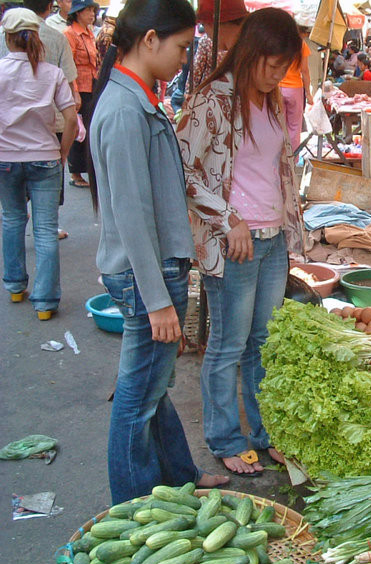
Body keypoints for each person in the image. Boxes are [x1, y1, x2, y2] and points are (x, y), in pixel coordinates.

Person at [89, 0, 230, 503]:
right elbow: (129, 214)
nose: (184, 58)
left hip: (152, 267)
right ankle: (134, 507)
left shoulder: (138, 98)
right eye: (181, 47)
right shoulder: (125, 109)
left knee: (152, 385)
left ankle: (178, 477)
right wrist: (157, 300)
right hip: (144, 272)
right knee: (136, 398)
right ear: (150, 39)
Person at [176, 8, 305, 476]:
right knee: (228, 345)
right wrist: (226, 217)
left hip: (272, 241)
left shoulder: (269, 100)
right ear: (250, 52)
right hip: (235, 243)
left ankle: (266, 434)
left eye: (282, 67)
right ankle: (226, 438)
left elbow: (274, 167)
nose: (275, 75)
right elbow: (183, 170)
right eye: (270, 64)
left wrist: (291, 223)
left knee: (263, 343)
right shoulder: (214, 98)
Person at [0, 8, 77, 319]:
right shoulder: (52, 74)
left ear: (7, 38)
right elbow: (71, 119)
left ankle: (16, 286)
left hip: (5, 159)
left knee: (12, 219)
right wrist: (62, 152)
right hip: (45, 157)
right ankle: (45, 304)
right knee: (45, 230)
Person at [63, 0, 98, 188]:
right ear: (77, 13)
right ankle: (75, 173)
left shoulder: (90, 33)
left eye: (93, 10)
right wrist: (74, 93)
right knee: (79, 131)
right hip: (79, 88)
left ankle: (87, 170)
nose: (91, 14)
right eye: (87, 10)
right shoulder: (70, 34)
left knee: (89, 129)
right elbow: (69, 66)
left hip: (91, 86)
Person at [191, 0, 247, 90]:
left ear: (211, 24)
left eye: (203, 24)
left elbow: (195, 75)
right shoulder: (252, 46)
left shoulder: (247, 54)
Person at [279, 24, 312, 151]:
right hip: (295, 89)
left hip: (278, 87)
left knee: (278, 125)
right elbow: (305, 71)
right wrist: (308, 93)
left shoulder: (278, 43)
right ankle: (292, 160)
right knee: (294, 127)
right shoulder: (301, 44)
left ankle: (278, 158)